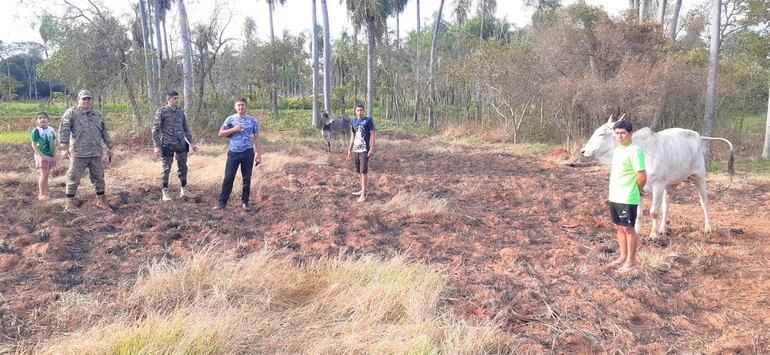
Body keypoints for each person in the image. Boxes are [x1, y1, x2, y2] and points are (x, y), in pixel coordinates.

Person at [59, 89, 114, 210]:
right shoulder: (71, 113)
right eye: (84, 99)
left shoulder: (97, 115)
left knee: (99, 178)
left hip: (96, 153)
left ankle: (101, 200)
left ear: (92, 101)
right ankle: (69, 203)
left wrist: (109, 146)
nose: (87, 101)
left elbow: (104, 132)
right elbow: (64, 130)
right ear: (78, 100)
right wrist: (64, 148)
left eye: (89, 99)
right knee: (73, 178)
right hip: (79, 153)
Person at [607, 119, 647, 273]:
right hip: (615, 196)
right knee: (619, 227)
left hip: (627, 197)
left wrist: (636, 190)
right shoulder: (617, 150)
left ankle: (631, 261)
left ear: (631, 134)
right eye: (617, 133)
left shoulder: (635, 150)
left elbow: (642, 176)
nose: (619, 136)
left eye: (623, 133)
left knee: (628, 229)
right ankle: (622, 256)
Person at [214, 98, 262, 211]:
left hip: (248, 152)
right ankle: (222, 203)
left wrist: (258, 153)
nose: (241, 107)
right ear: (235, 107)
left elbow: (257, 137)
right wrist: (234, 129)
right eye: (239, 105)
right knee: (228, 177)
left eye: (243, 105)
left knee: (247, 178)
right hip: (234, 152)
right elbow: (220, 133)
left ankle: (245, 202)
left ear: (246, 106)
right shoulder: (230, 119)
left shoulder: (253, 120)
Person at [152, 90, 197, 202]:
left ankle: (184, 191)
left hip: (181, 143)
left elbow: (186, 129)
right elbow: (155, 129)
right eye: (174, 98)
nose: (177, 100)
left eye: (177, 98)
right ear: (168, 99)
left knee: (183, 167)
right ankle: (165, 193)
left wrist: (191, 143)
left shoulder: (180, 112)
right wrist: (156, 146)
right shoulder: (162, 112)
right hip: (167, 143)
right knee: (166, 168)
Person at [347, 104, 376, 202]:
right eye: (358, 110)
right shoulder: (354, 122)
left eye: (361, 110)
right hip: (356, 149)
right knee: (359, 171)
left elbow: (372, 134)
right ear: (355, 111)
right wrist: (349, 149)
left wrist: (372, 148)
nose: (359, 112)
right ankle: (363, 189)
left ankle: (364, 194)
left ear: (364, 111)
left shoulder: (368, 120)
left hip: (364, 150)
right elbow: (353, 136)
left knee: (363, 171)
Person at [31, 112, 57, 200]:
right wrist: (42, 156)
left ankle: (46, 192)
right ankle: (41, 194)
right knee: (43, 174)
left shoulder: (51, 130)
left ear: (48, 120)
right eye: (40, 118)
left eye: (44, 117)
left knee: (46, 175)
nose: (42, 119)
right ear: (37, 121)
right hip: (41, 155)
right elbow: (34, 145)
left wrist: (54, 156)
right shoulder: (36, 131)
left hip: (50, 155)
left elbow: (53, 143)